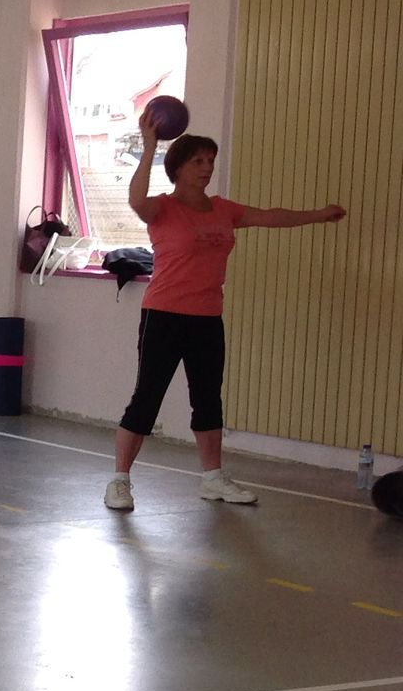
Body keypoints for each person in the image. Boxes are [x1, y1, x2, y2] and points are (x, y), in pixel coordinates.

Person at [105, 111, 345, 511]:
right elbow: (135, 200)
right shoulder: (162, 209)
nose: (207, 168)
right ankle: (120, 480)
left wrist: (318, 214)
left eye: (211, 161)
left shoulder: (223, 209)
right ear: (178, 168)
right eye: (198, 161)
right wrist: (149, 147)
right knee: (147, 397)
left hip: (206, 317)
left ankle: (213, 478)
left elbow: (271, 217)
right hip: (163, 315)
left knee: (208, 397)